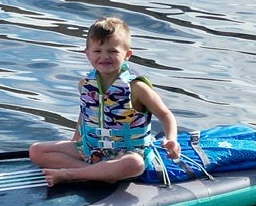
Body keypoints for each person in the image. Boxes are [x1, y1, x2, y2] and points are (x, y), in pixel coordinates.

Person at [29, 15, 180, 187]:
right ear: (87, 54)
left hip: (126, 154)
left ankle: (72, 174)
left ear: (127, 55)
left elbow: (165, 115)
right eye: (97, 51)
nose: (104, 56)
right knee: (36, 151)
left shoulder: (137, 88)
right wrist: (75, 139)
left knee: (135, 164)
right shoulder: (85, 84)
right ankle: (99, 173)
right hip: (91, 149)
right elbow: (86, 113)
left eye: (112, 51)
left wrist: (172, 139)